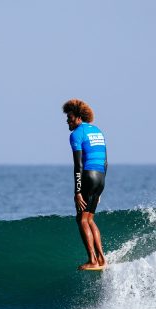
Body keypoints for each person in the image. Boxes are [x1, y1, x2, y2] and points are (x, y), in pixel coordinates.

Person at [62, 99, 108, 270]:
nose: (68, 121)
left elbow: (78, 165)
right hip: (101, 177)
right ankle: (102, 259)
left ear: (79, 117)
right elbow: (105, 162)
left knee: (81, 219)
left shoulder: (76, 134)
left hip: (87, 175)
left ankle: (92, 260)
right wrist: (100, 189)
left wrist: (77, 191)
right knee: (89, 218)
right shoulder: (98, 131)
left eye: (70, 118)